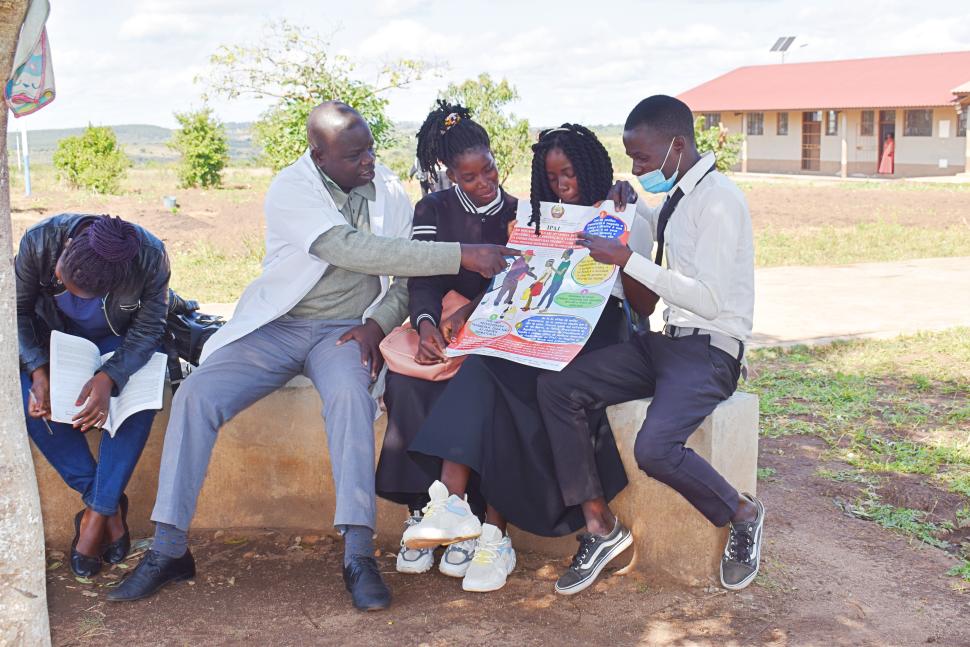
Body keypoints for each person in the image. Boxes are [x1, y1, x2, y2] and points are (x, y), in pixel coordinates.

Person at [108, 101, 516, 612]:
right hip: (277, 326)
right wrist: (460, 253)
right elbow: (349, 248)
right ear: (318, 155)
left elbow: (403, 279)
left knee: (349, 398)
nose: (369, 161)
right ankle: (168, 549)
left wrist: (375, 324)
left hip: (345, 334)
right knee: (195, 395)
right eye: (354, 155)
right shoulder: (291, 189)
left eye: (370, 148)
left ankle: (358, 555)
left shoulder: (387, 189)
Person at [402, 124, 651, 593]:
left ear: (593, 167)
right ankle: (457, 505)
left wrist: (621, 251)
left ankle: (489, 524)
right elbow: (519, 276)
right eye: (552, 176)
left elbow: (645, 305)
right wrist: (476, 313)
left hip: (601, 325)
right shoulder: (538, 215)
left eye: (570, 173)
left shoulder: (624, 208)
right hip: (542, 324)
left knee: (516, 381)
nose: (562, 185)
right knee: (486, 361)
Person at [536, 95, 763, 596]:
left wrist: (624, 259)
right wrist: (631, 208)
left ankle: (742, 513)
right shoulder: (680, 196)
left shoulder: (720, 200)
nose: (637, 168)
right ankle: (599, 528)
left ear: (676, 145)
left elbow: (707, 298)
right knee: (558, 387)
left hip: (711, 350)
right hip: (669, 343)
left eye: (642, 158)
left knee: (655, 449)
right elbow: (656, 240)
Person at [376, 101, 519, 578]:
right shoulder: (432, 208)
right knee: (408, 386)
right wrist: (424, 325)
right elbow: (423, 276)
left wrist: (473, 314)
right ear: (450, 175)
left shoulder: (519, 213)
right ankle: (423, 508)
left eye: (489, 170)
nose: (483, 183)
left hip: (490, 333)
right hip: (440, 326)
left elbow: (522, 281)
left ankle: (470, 518)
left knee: (475, 387)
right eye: (469, 177)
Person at [16, 214, 170, 578]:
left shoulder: (150, 256)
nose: (64, 291)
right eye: (61, 282)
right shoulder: (39, 241)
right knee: (35, 407)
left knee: (135, 407)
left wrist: (109, 378)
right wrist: (38, 370)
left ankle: (93, 519)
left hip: (121, 343)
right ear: (66, 248)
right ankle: (107, 508)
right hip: (50, 341)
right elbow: (15, 312)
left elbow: (149, 328)